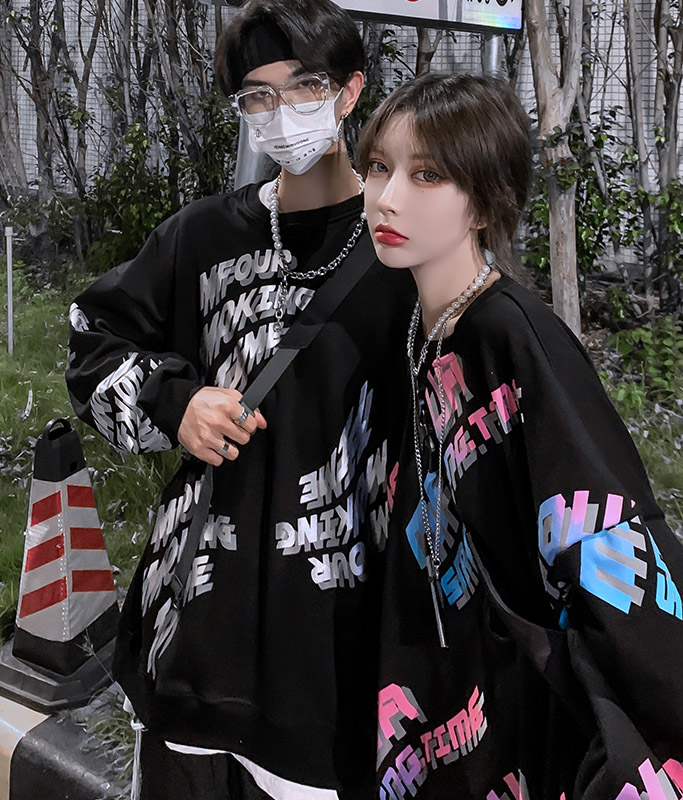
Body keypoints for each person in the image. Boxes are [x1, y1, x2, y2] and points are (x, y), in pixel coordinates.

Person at [358, 72, 683, 799]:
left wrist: (680, 700)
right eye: (380, 167)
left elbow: (604, 523)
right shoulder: (420, 326)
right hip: (459, 679)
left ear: (483, 201)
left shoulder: (513, 337)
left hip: (532, 702)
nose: (388, 197)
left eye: (427, 174)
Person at [65, 1, 413, 797]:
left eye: (305, 87)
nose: (281, 112)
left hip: (335, 656)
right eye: (257, 95)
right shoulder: (201, 236)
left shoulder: (402, 244)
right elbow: (93, 334)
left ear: (350, 90)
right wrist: (174, 403)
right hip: (198, 626)